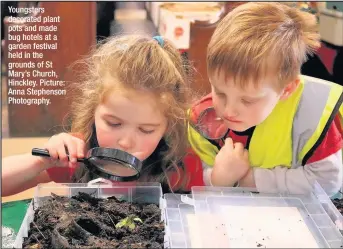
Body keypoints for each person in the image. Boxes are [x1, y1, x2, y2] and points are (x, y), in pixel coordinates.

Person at [3, 34, 203, 196]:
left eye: (146, 130)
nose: (125, 142)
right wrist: (42, 161)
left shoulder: (181, 167)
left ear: (168, 126)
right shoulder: (79, 154)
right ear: (93, 112)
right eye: (113, 123)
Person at [188, 2, 343, 196]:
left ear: (287, 89)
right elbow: (194, 179)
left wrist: (246, 179)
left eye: (247, 100)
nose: (228, 111)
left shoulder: (315, 114)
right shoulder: (202, 120)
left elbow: (327, 182)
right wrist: (218, 178)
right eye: (220, 93)